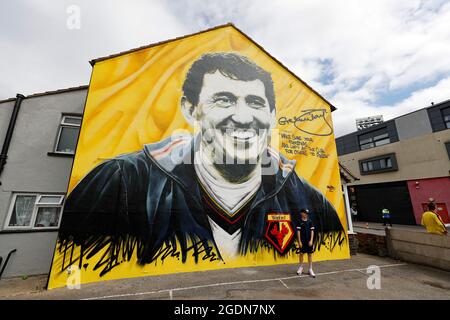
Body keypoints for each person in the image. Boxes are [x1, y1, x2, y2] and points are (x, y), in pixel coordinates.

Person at [58, 52, 345, 275]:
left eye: (256, 103)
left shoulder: (311, 202)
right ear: (189, 109)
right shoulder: (120, 182)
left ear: (271, 114)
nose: (244, 118)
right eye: (223, 100)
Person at [296, 209, 315, 278]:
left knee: (309, 254)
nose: (306, 214)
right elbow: (298, 232)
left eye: (307, 213)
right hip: (302, 241)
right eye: (305, 213)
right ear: (302, 213)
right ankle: (301, 267)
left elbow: (312, 231)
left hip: (309, 241)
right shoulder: (299, 222)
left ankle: (310, 269)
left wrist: (311, 240)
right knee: (301, 254)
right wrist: (299, 241)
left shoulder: (310, 222)